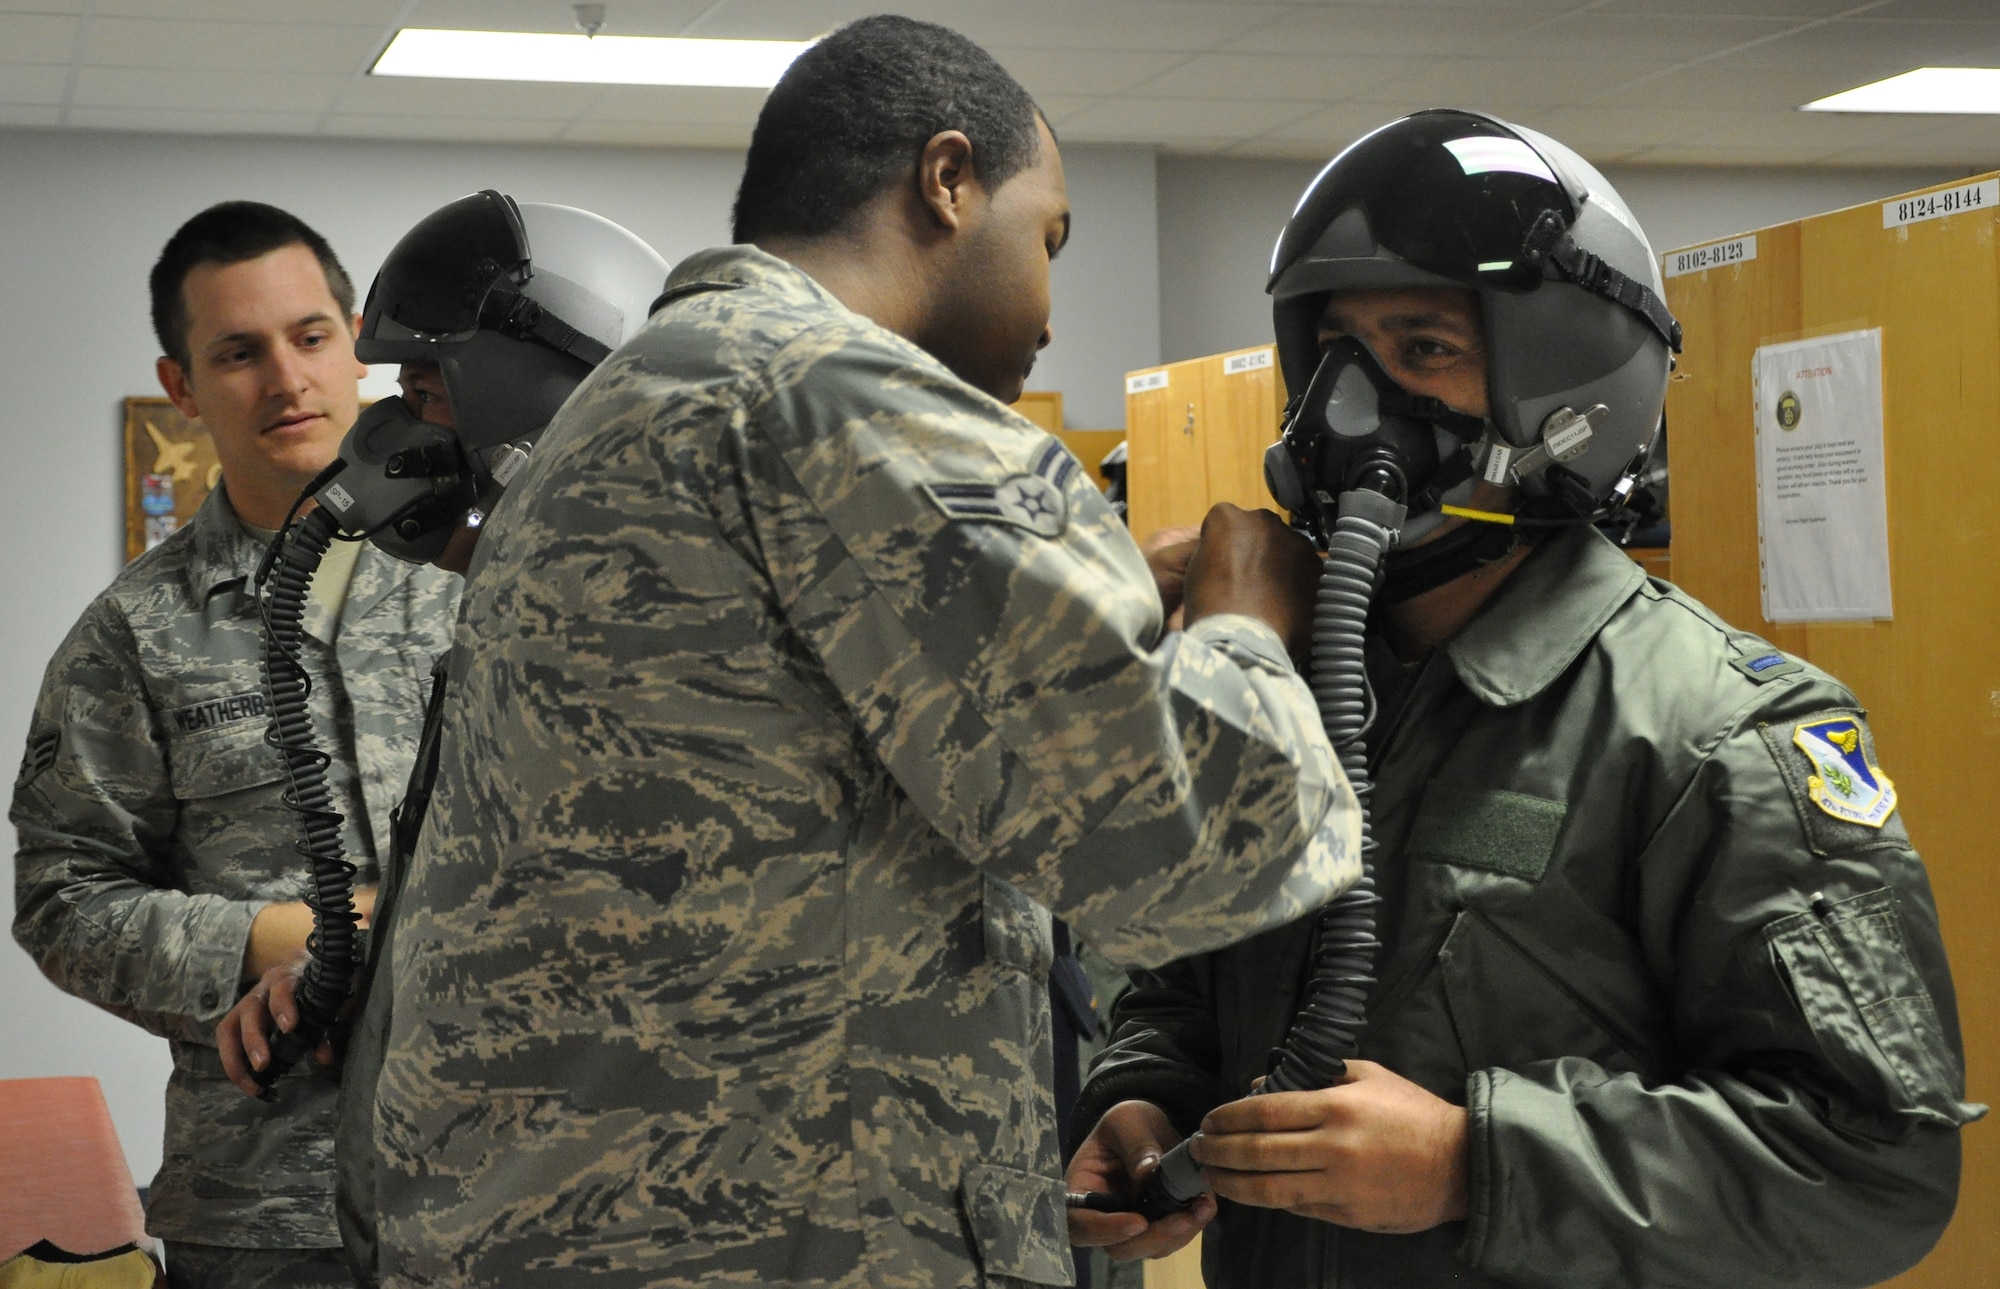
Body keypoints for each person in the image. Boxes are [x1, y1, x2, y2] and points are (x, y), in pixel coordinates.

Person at [371, 14, 1362, 1288]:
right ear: (946, 180)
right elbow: (1187, 855)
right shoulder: (847, 398)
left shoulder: (640, 397)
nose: (1051, 307)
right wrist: (1244, 618)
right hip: (776, 1241)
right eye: (1048, 235)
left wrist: (1091, 589)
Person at [1065, 109, 1982, 1289]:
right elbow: (1200, 973)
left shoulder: (1713, 735)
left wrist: (1473, 1161)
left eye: (1421, 348)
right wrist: (1147, 1091)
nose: (1350, 405)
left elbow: (1874, 1165)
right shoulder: (1288, 687)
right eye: (1334, 347)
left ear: (1570, 395)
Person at [211, 190, 673, 1288]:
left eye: (428, 390)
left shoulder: (650, 631)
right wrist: (367, 961)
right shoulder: (516, 623)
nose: (398, 436)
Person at [10, 202, 460, 1287]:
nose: (286, 379)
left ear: (357, 340)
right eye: (238, 352)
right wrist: (288, 939)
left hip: (495, 1177)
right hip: (269, 1208)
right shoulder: (133, 631)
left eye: (310, 337)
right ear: (183, 385)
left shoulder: (481, 578)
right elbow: (62, 900)